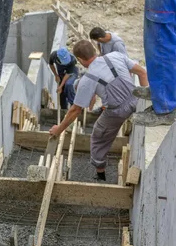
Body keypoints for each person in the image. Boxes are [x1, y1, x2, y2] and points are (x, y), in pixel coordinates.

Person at [49, 40, 148, 181]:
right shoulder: (116, 56)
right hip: (136, 99)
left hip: (117, 112)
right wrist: (143, 101)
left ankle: (100, 172)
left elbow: (75, 110)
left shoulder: (87, 79)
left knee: (98, 136)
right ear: (95, 50)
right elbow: (142, 73)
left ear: (81, 60)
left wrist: (59, 130)